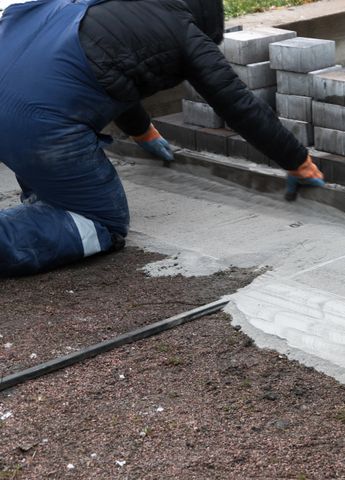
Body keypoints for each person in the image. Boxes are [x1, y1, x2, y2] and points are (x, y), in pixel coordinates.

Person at [0, 0, 322, 277]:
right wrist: (297, 161)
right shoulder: (183, 31)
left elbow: (113, 67)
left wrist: (142, 130)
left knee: (46, 149)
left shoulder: (120, 9)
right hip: (34, 122)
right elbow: (238, 104)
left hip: (16, 83)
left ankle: (49, 200)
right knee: (102, 223)